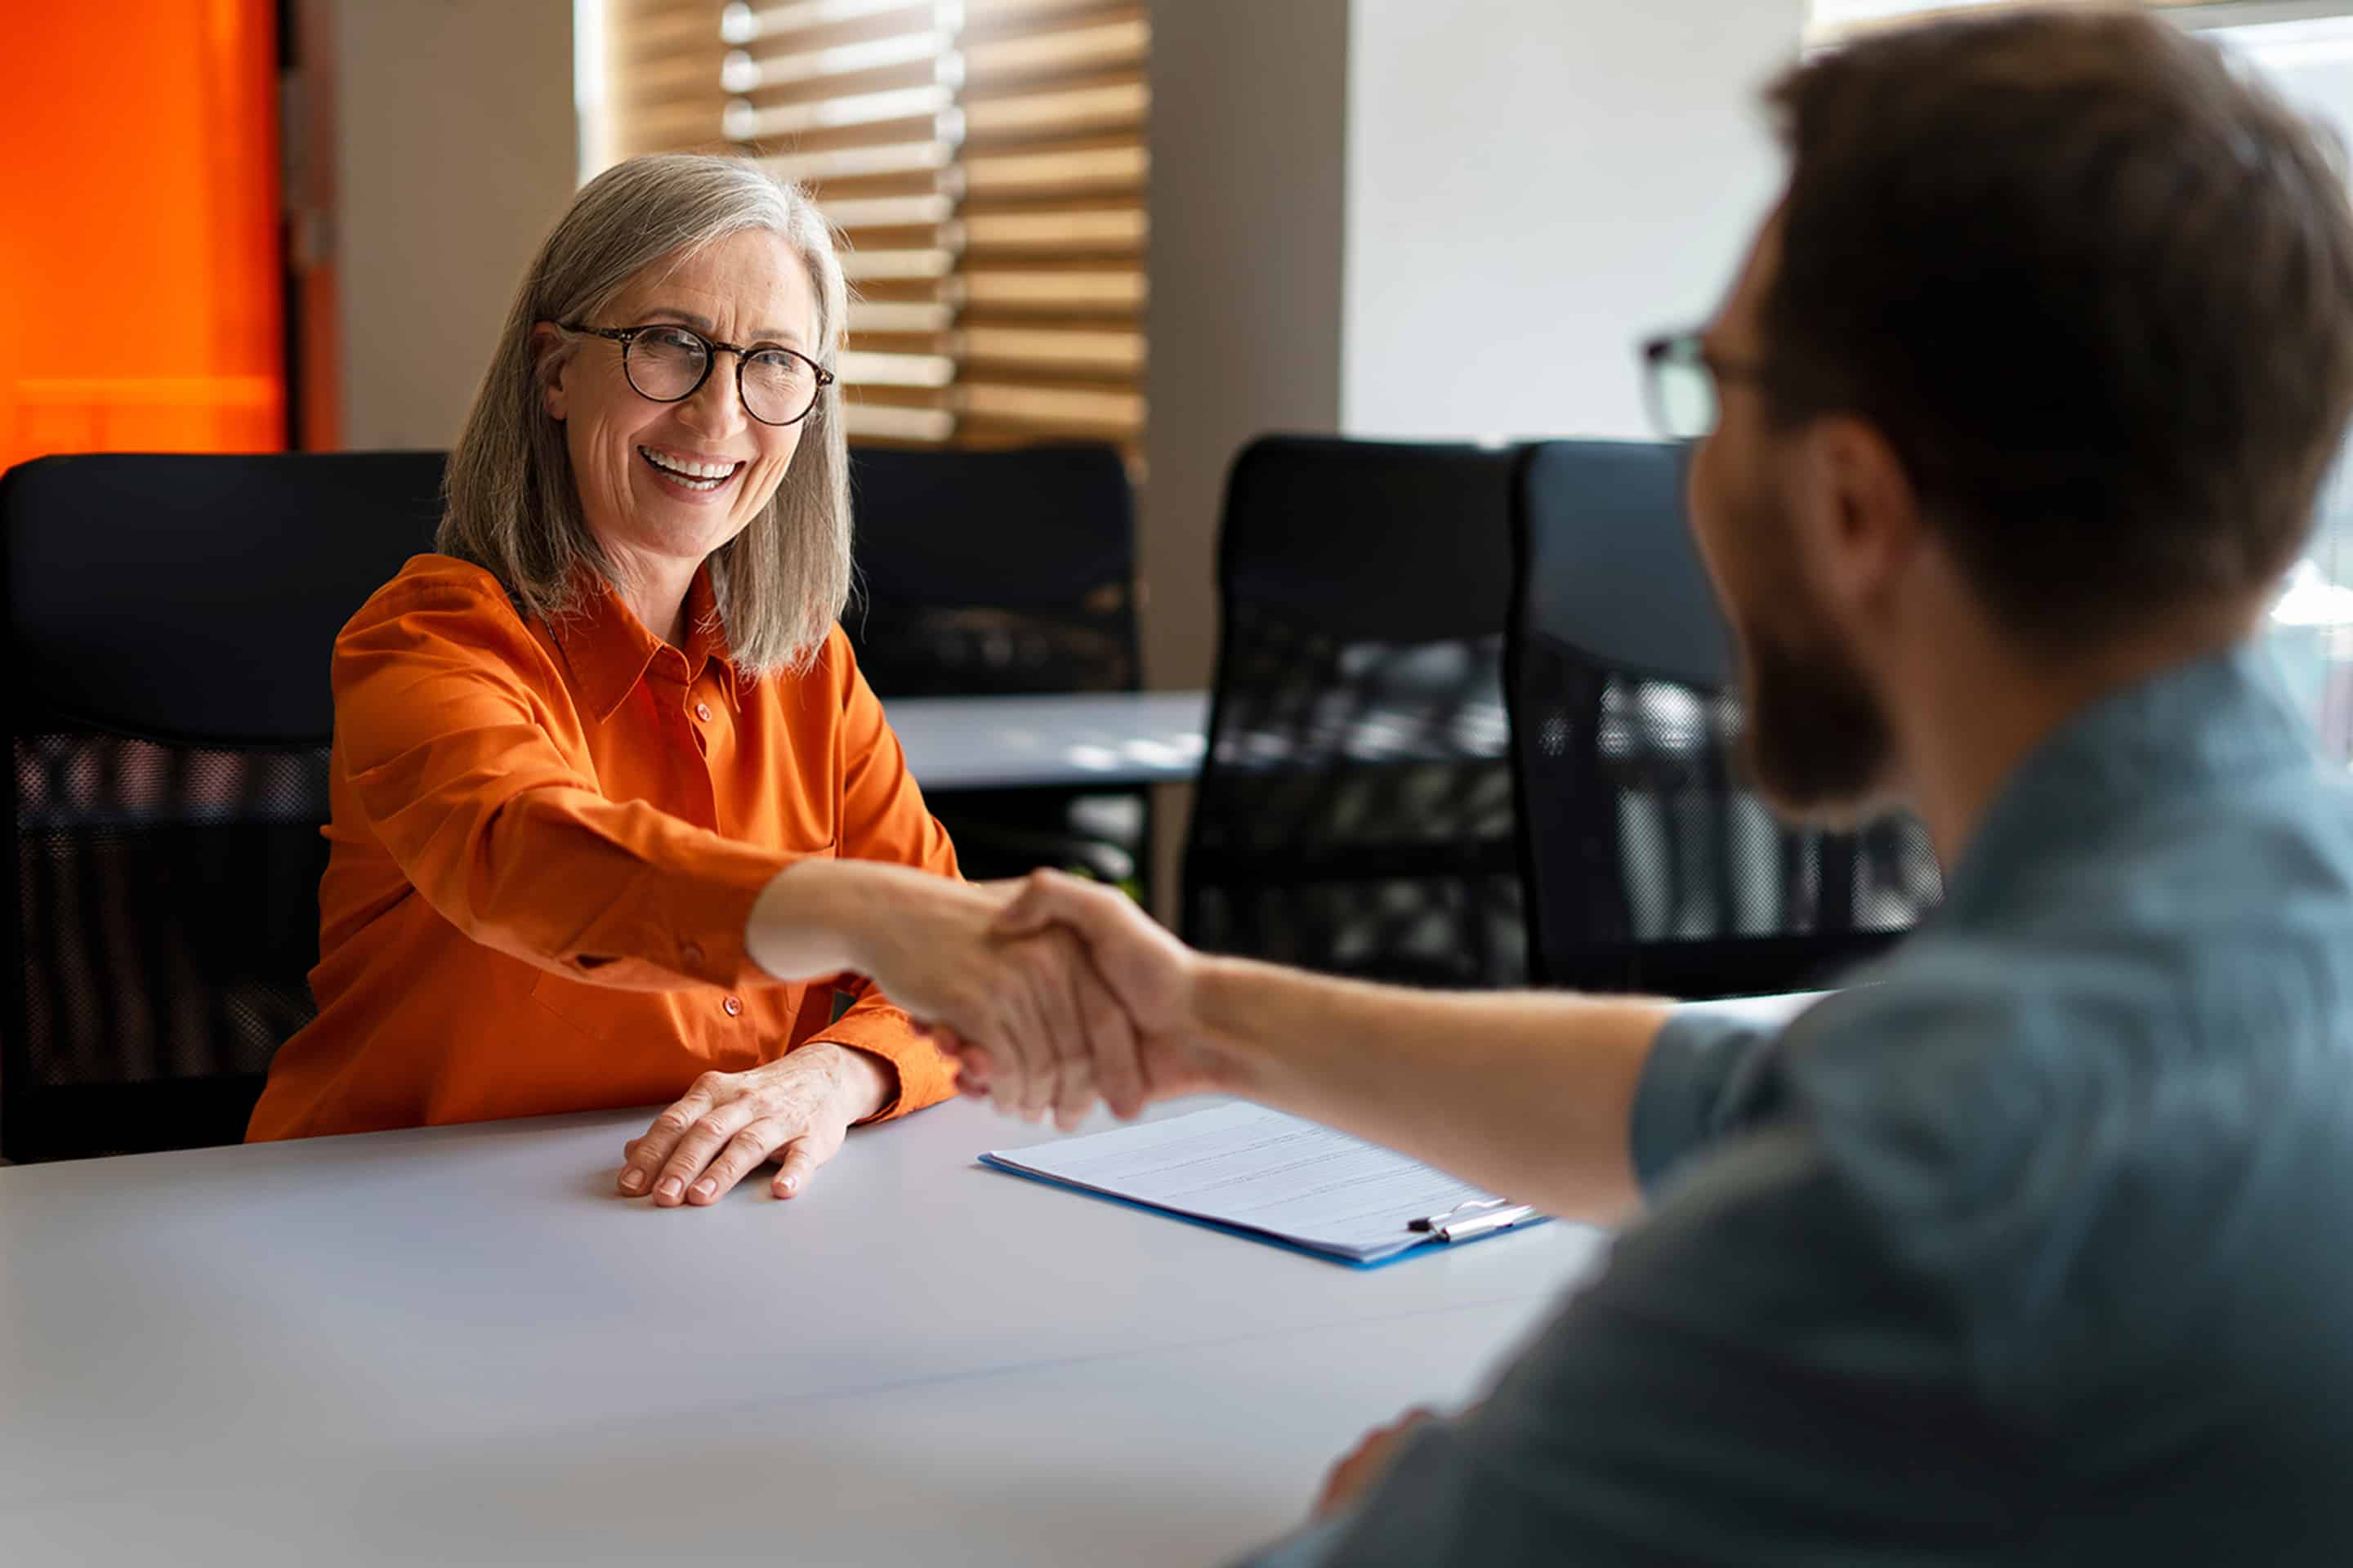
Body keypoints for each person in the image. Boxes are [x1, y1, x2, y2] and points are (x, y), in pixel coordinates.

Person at [911, 11, 2353, 1561]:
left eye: (1714, 384)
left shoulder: (1924, 1192)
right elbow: (1725, 1102)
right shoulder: (2240, 918)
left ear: (1855, 503)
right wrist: (1209, 1020)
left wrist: (1374, 1516)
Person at [249, 154, 1130, 1207]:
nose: (721, 416)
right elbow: (531, 862)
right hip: (396, 1222)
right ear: (555, 372)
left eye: (773, 362)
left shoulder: (810, 671)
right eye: (668, 345)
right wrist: (862, 912)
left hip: (705, 1226)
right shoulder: (426, 644)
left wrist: (832, 1075)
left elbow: (943, 987)